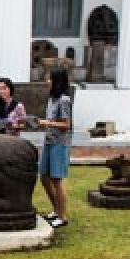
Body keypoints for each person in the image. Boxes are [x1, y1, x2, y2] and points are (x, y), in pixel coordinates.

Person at [38, 68, 73, 228]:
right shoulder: (52, 99)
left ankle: (62, 216)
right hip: (49, 140)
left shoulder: (64, 100)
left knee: (57, 180)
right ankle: (56, 209)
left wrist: (46, 123)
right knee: (44, 177)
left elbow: (66, 124)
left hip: (60, 143)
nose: (47, 81)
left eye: (50, 78)